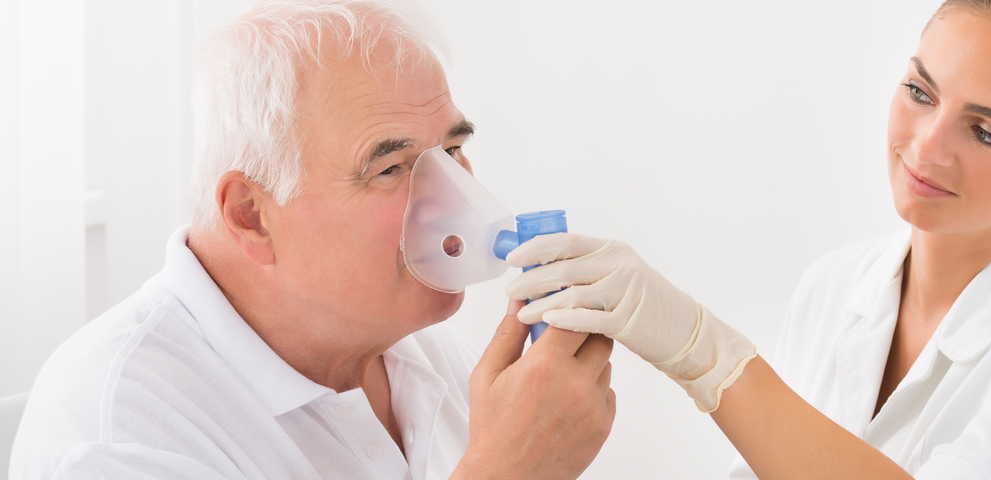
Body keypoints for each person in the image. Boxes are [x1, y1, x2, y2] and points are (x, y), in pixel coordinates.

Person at [502, 0, 991, 478]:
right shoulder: (836, 285)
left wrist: (703, 353)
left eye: (987, 132)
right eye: (919, 91)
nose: (925, 148)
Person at [9, 1, 615, 479]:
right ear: (250, 215)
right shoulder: (122, 433)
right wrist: (505, 474)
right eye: (392, 167)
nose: (456, 199)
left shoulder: (413, 350)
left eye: (454, 151)